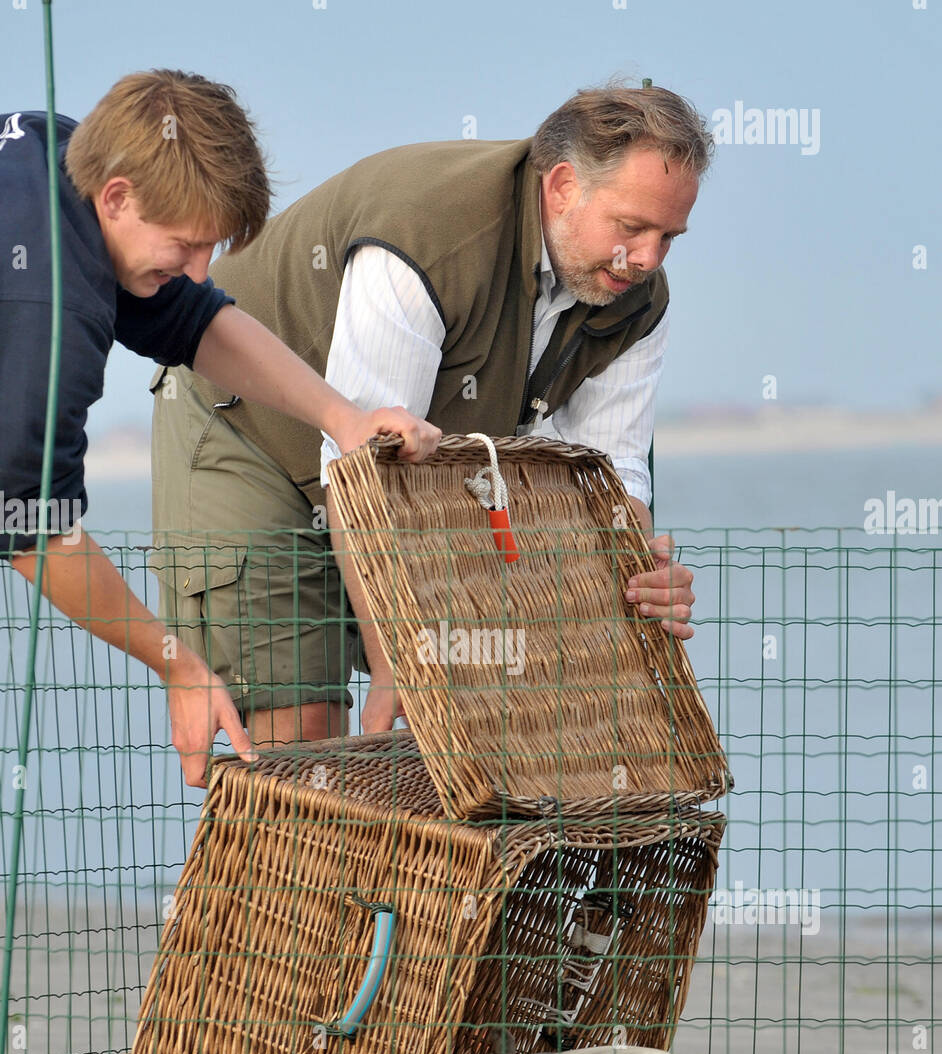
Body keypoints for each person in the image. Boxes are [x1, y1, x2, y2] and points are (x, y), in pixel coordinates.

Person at [152, 81, 711, 740]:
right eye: (632, 227)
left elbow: (605, 483)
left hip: (411, 474)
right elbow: (362, 464)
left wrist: (634, 572)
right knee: (304, 740)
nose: (648, 258)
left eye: (669, 236)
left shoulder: (637, 296)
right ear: (562, 187)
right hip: (246, 427)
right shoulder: (428, 236)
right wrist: (394, 667)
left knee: (463, 714)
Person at [0, 70, 439, 785]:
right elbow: (31, 528)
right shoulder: (56, 308)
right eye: (186, 244)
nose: (201, 267)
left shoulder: (61, 154)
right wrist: (179, 665)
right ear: (118, 197)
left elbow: (197, 320)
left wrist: (346, 420)